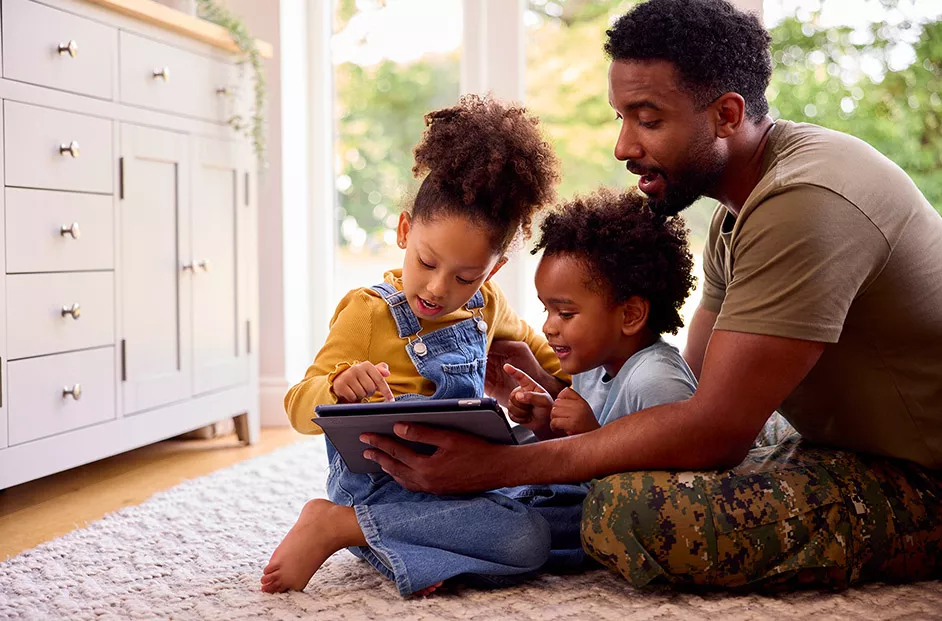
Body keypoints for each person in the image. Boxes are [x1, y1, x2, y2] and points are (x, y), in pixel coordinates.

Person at [360, 0, 942, 591]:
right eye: (621, 117)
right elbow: (686, 395)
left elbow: (713, 429)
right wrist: (560, 410)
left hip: (924, 475)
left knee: (628, 512)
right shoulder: (739, 213)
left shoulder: (805, 199)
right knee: (614, 469)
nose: (622, 146)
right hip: (838, 439)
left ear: (726, 114)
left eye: (648, 119)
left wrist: (495, 468)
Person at [263, 94, 579, 597]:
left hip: (467, 476)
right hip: (386, 486)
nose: (437, 289)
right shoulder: (369, 312)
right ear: (405, 231)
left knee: (580, 507)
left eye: (464, 276)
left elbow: (551, 365)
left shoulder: (488, 304)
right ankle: (341, 524)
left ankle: (428, 547)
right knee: (527, 539)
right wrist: (337, 388)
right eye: (427, 263)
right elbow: (297, 406)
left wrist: (545, 397)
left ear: (492, 271)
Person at [508, 188, 697, 443]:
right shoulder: (592, 365)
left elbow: (677, 476)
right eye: (546, 309)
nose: (547, 327)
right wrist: (545, 425)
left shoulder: (656, 382)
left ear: (630, 315)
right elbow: (576, 465)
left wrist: (592, 436)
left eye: (565, 313)